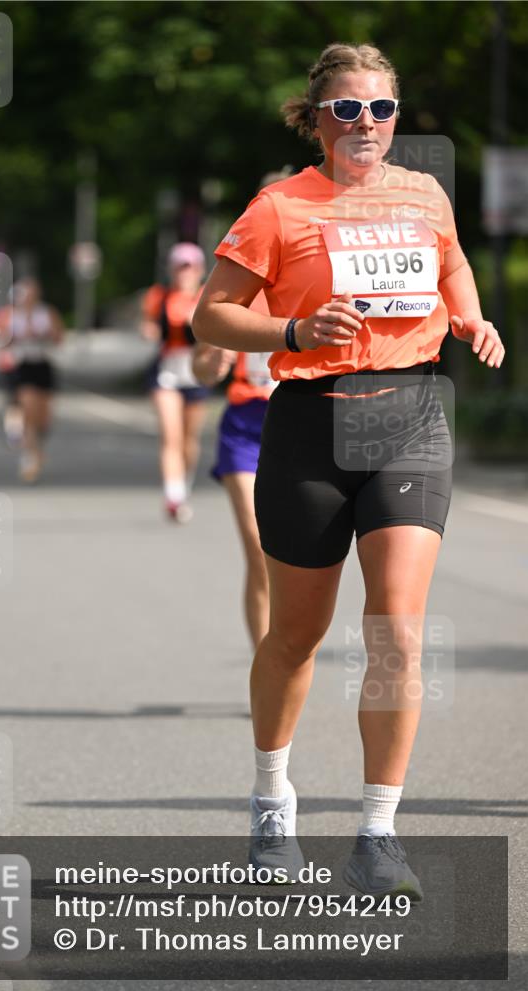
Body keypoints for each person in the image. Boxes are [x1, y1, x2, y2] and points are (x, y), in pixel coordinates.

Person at [192, 43, 504, 897]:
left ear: (395, 118)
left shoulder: (423, 193)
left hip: (410, 417)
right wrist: (292, 333)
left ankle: (377, 829)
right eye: (346, 110)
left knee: (398, 630)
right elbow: (208, 316)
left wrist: (471, 317)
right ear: (317, 118)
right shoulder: (278, 207)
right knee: (295, 634)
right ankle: (271, 802)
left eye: (380, 109)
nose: (365, 124)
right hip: (309, 427)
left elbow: (450, 264)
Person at [193, 290, 277, 649]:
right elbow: (201, 371)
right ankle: (267, 663)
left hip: (299, 421)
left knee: (293, 561)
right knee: (259, 550)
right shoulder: (234, 288)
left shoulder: (315, 273)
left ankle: (287, 652)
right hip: (245, 427)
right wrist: (215, 359)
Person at [142, 243, 210, 523]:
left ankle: (184, 481)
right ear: (172, 270)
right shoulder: (160, 296)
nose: (185, 273)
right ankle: (174, 495)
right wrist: (149, 330)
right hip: (168, 371)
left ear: (200, 270)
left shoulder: (208, 297)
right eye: (180, 267)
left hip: (197, 371)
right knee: (171, 436)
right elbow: (149, 326)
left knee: (189, 440)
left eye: (190, 267)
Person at [0, 278, 63, 482]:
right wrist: (17, 337)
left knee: (44, 417)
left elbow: (59, 338)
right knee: (28, 410)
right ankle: (29, 455)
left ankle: (37, 447)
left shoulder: (47, 313)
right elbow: (2, 340)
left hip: (43, 364)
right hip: (23, 365)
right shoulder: (12, 316)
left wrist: (47, 334)